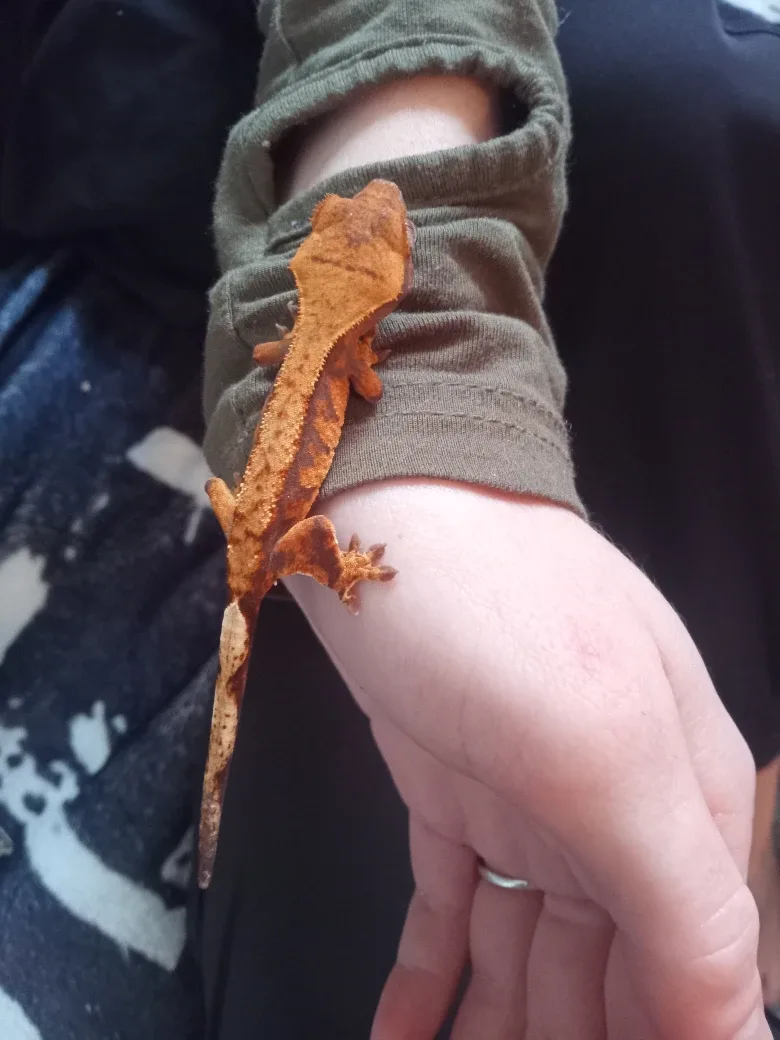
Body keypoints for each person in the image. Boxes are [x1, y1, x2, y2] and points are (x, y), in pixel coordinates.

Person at [197, 0, 780, 1038]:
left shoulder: (327, 336)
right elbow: (358, 376)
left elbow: (306, 361)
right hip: (279, 540)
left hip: (254, 514)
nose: (379, 226)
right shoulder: (357, 348)